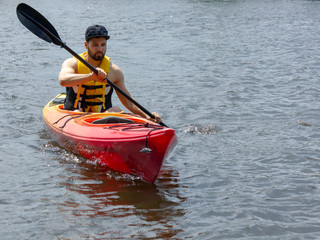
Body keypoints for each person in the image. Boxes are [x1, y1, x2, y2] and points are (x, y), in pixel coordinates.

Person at [58, 25, 161, 123]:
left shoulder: (114, 71)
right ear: (86, 45)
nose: (99, 49)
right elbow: (63, 80)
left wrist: (147, 115)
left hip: (103, 117)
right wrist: (91, 76)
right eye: (95, 45)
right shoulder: (72, 63)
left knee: (116, 109)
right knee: (77, 113)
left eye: (103, 45)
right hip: (75, 114)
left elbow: (127, 101)